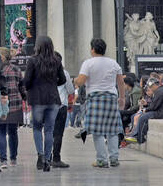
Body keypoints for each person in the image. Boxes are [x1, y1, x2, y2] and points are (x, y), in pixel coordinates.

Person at [74, 38, 127, 168]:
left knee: (97, 131)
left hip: (95, 98)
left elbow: (80, 82)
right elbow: (120, 82)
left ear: (92, 49)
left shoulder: (88, 63)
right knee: (113, 130)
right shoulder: (113, 63)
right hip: (111, 98)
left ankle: (102, 159)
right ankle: (114, 158)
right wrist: (122, 98)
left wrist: (75, 80)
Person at [23, 36, 67, 171]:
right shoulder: (56, 61)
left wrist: (31, 88)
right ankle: (48, 159)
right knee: (49, 130)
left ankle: (40, 155)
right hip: (53, 99)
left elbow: (27, 80)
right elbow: (63, 80)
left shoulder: (32, 61)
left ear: (37, 46)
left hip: (37, 99)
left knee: (37, 128)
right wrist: (53, 84)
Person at [0, 46, 26, 166]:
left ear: (2, 57)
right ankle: (13, 158)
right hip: (15, 104)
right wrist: (25, 97)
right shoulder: (16, 69)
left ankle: (3, 159)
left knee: (1, 132)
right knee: (13, 132)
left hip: (0, 104)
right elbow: (22, 87)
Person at [50, 53, 73, 168]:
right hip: (61, 105)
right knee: (58, 134)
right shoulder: (65, 73)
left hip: (47, 106)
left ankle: (46, 157)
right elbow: (70, 90)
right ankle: (56, 158)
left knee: (48, 132)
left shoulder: (44, 72)